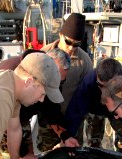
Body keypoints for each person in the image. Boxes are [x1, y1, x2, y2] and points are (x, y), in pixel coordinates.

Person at [0, 48, 71, 159]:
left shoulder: (52, 78)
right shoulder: (8, 75)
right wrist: (20, 155)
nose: (57, 83)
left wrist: (64, 135)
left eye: (61, 81)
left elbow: (52, 109)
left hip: (20, 118)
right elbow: (3, 127)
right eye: (56, 79)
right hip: (1, 124)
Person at [38, 12, 93, 151]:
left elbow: (85, 95)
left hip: (72, 117)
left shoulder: (84, 61)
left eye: (76, 44)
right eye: (68, 42)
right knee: (48, 154)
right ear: (61, 35)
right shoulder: (43, 54)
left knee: (72, 154)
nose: (71, 48)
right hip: (47, 116)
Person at [64, 57, 122, 151]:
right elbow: (75, 110)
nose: (104, 91)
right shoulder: (89, 81)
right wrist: (68, 136)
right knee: (93, 142)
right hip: (95, 109)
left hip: (120, 111)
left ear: (120, 80)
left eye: (109, 87)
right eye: (100, 86)